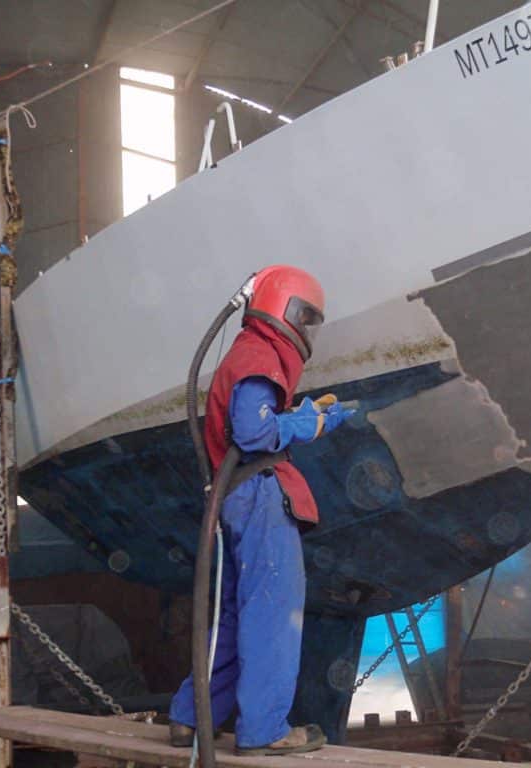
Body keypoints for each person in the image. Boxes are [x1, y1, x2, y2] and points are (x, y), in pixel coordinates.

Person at [169, 265, 352, 756]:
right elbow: (253, 432)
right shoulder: (259, 353)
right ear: (285, 308)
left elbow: (252, 422)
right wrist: (307, 426)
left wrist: (302, 419)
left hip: (237, 497)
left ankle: (190, 717)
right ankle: (265, 729)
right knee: (273, 611)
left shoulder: (248, 351)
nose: (308, 330)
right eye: (306, 318)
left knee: (232, 617)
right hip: (261, 497)